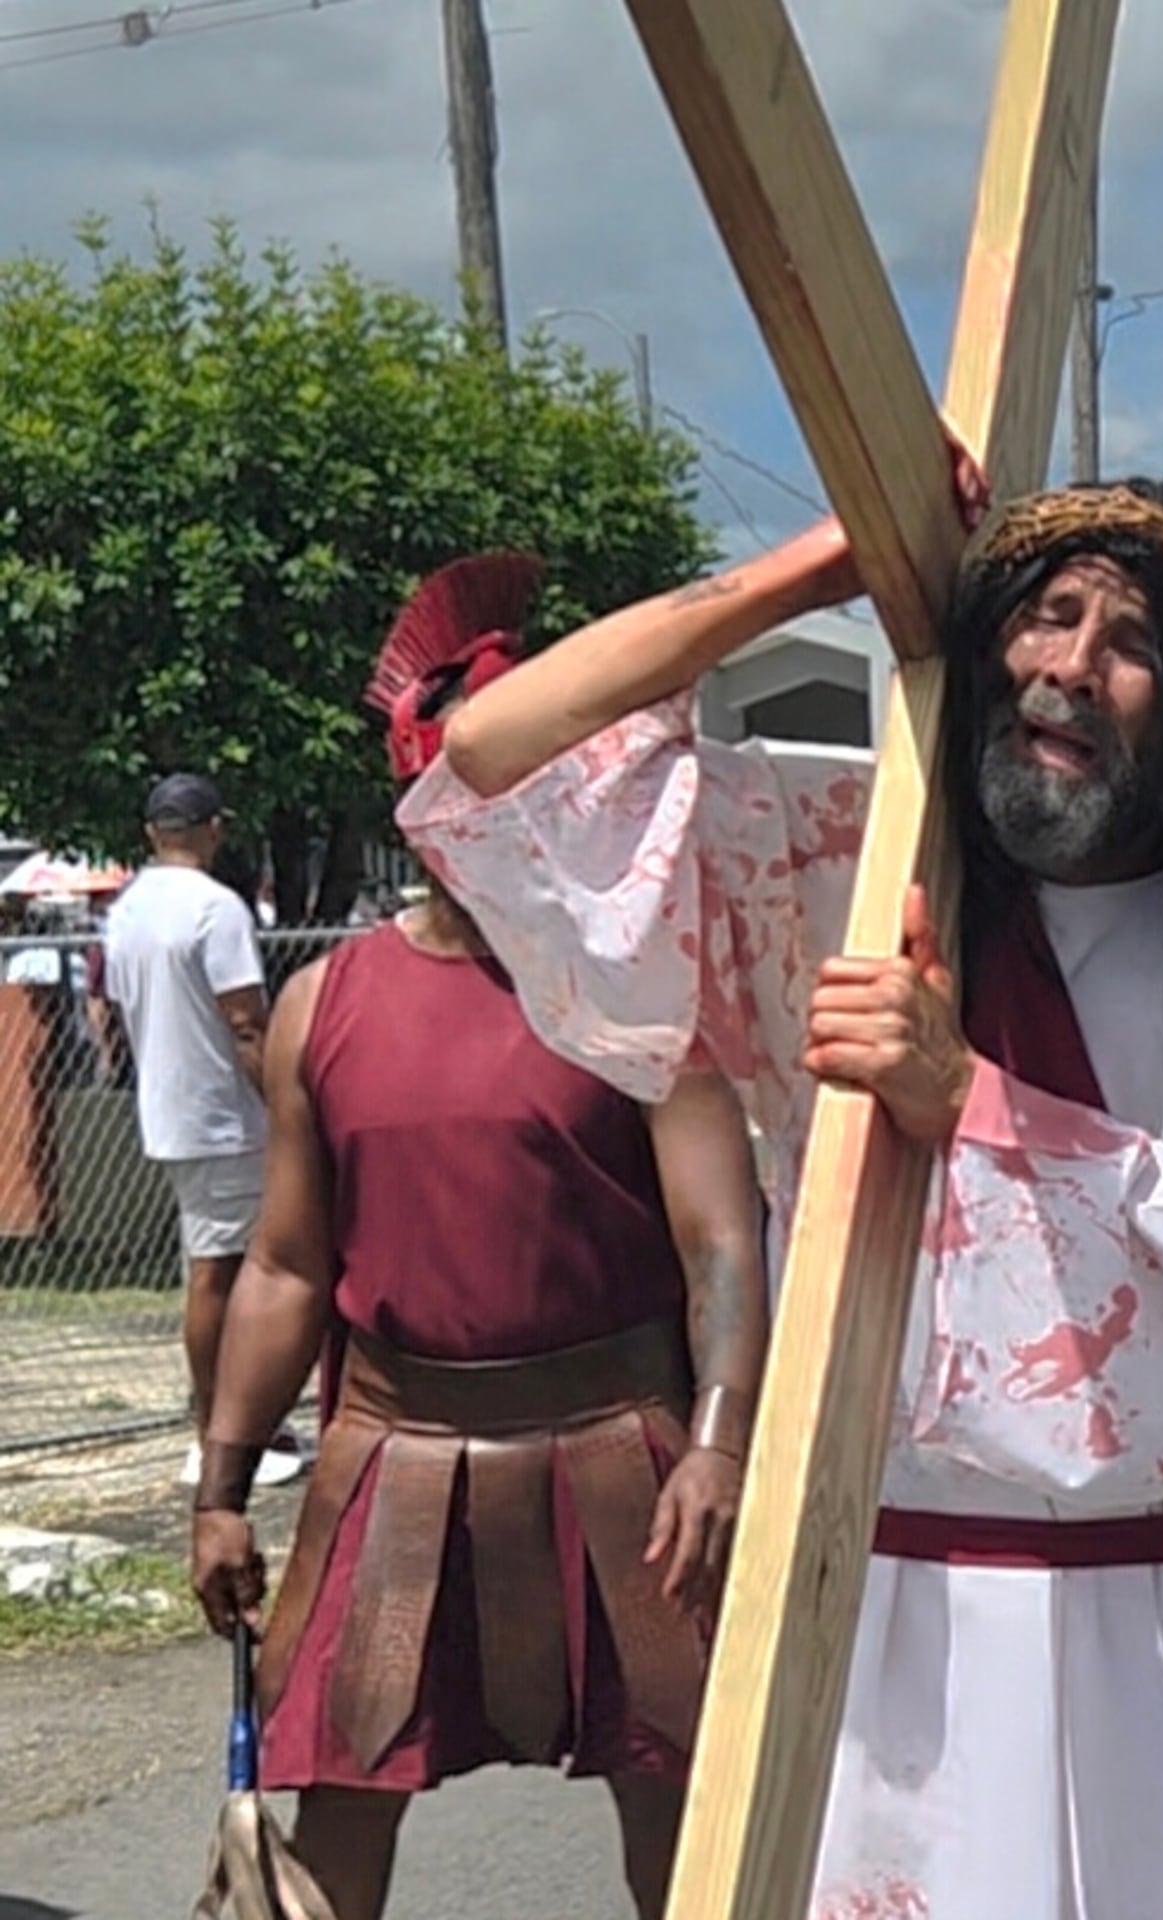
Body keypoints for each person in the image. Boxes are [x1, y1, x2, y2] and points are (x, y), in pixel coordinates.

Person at [397, 480, 1163, 1918]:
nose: (1069, 662)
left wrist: (978, 1107)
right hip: (871, 1633)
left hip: (1154, 1645)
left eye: (1129, 638)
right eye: (1045, 613)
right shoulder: (840, 867)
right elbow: (496, 759)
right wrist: (824, 565)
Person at [187, 556, 771, 1920]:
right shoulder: (324, 1001)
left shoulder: (639, 987)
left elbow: (722, 1244)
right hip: (388, 1454)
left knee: (693, 1817)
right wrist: (219, 1488)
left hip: (630, 1452)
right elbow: (283, 1268)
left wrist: (724, 1440)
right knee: (329, 1816)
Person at [100, 772, 302, 1488]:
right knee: (223, 1272)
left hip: (171, 1103)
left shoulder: (126, 910)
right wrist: (288, 1105)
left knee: (229, 1265)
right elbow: (247, 1022)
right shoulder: (216, 910)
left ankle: (241, 1420)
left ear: (154, 832)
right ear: (213, 828)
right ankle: (219, 1433)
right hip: (225, 1113)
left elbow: (117, 1008)